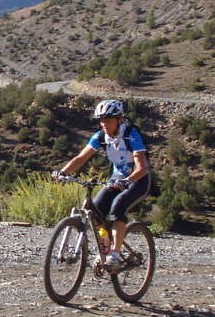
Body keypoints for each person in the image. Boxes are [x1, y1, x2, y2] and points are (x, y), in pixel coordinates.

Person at [53, 99, 150, 269]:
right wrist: (63, 172)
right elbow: (81, 158)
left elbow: (142, 167)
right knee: (95, 209)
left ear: (119, 119)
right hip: (116, 179)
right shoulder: (100, 136)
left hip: (138, 180)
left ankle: (115, 253)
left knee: (118, 206)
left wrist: (128, 181)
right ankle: (105, 247)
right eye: (101, 120)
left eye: (108, 120)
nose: (104, 124)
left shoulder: (130, 134)